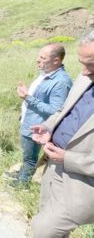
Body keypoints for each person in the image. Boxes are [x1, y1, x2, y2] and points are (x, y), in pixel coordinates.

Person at [30, 31, 94, 237]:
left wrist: (68, 158)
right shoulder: (85, 78)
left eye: (91, 64)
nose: (83, 71)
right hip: (53, 165)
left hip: (81, 183)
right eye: (81, 63)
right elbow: (63, 111)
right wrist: (49, 128)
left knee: (42, 230)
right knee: (46, 217)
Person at [6, 44, 72, 188]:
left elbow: (56, 111)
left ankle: (22, 184)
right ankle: (22, 174)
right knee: (26, 155)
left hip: (38, 128)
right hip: (29, 121)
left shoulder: (61, 81)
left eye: (42, 57)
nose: (37, 60)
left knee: (30, 158)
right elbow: (42, 99)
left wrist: (28, 97)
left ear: (56, 60)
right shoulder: (46, 73)